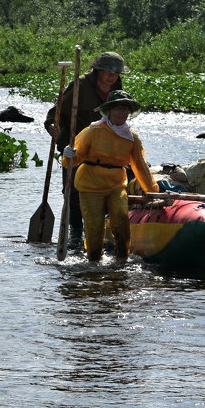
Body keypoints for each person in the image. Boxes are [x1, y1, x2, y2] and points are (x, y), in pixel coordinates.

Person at [62, 90, 157, 262]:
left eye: (125, 109)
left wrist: (152, 191)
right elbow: (72, 161)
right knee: (94, 227)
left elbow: (140, 166)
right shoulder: (93, 130)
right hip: (90, 184)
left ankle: (122, 258)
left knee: (121, 217)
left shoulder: (132, 138)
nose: (122, 113)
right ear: (109, 111)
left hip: (116, 184)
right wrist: (68, 155)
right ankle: (93, 260)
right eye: (118, 109)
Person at [44, 51, 127, 241]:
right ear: (98, 71)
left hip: (102, 147)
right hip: (75, 146)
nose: (111, 76)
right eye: (107, 72)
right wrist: (51, 125)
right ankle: (75, 231)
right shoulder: (79, 85)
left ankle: (101, 227)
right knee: (72, 191)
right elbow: (56, 111)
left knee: (107, 188)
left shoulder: (116, 87)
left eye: (115, 73)